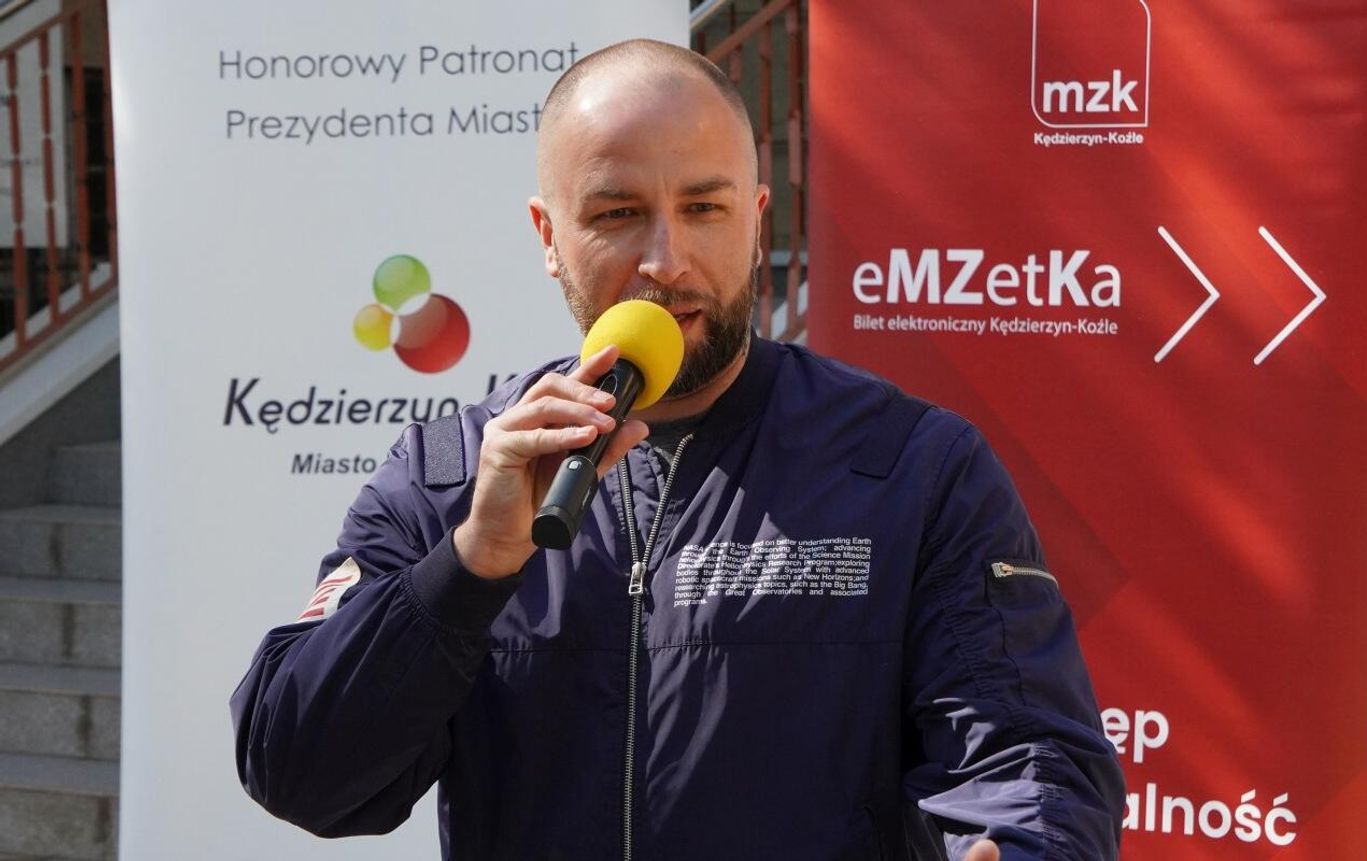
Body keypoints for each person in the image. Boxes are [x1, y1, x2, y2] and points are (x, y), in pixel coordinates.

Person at [231, 39, 1125, 860]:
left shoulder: (914, 467)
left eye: (704, 207)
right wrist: (469, 568)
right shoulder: (452, 473)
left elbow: (1028, 759)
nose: (666, 258)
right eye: (619, 213)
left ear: (757, 219)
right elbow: (297, 770)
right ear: (549, 237)